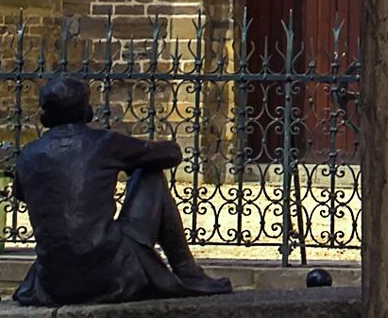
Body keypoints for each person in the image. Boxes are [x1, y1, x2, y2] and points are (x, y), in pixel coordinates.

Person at [13, 75, 231, 304]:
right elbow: (171, 154)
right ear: (86, 110)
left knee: (145, 166)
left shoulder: (29, 154)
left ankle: (187, 271)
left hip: (53, 280)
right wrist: (130, 160)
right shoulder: (103, 143)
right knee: (150, 174)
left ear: (45, 115)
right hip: (109, 272)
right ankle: (187, 270)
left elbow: (21, 193)